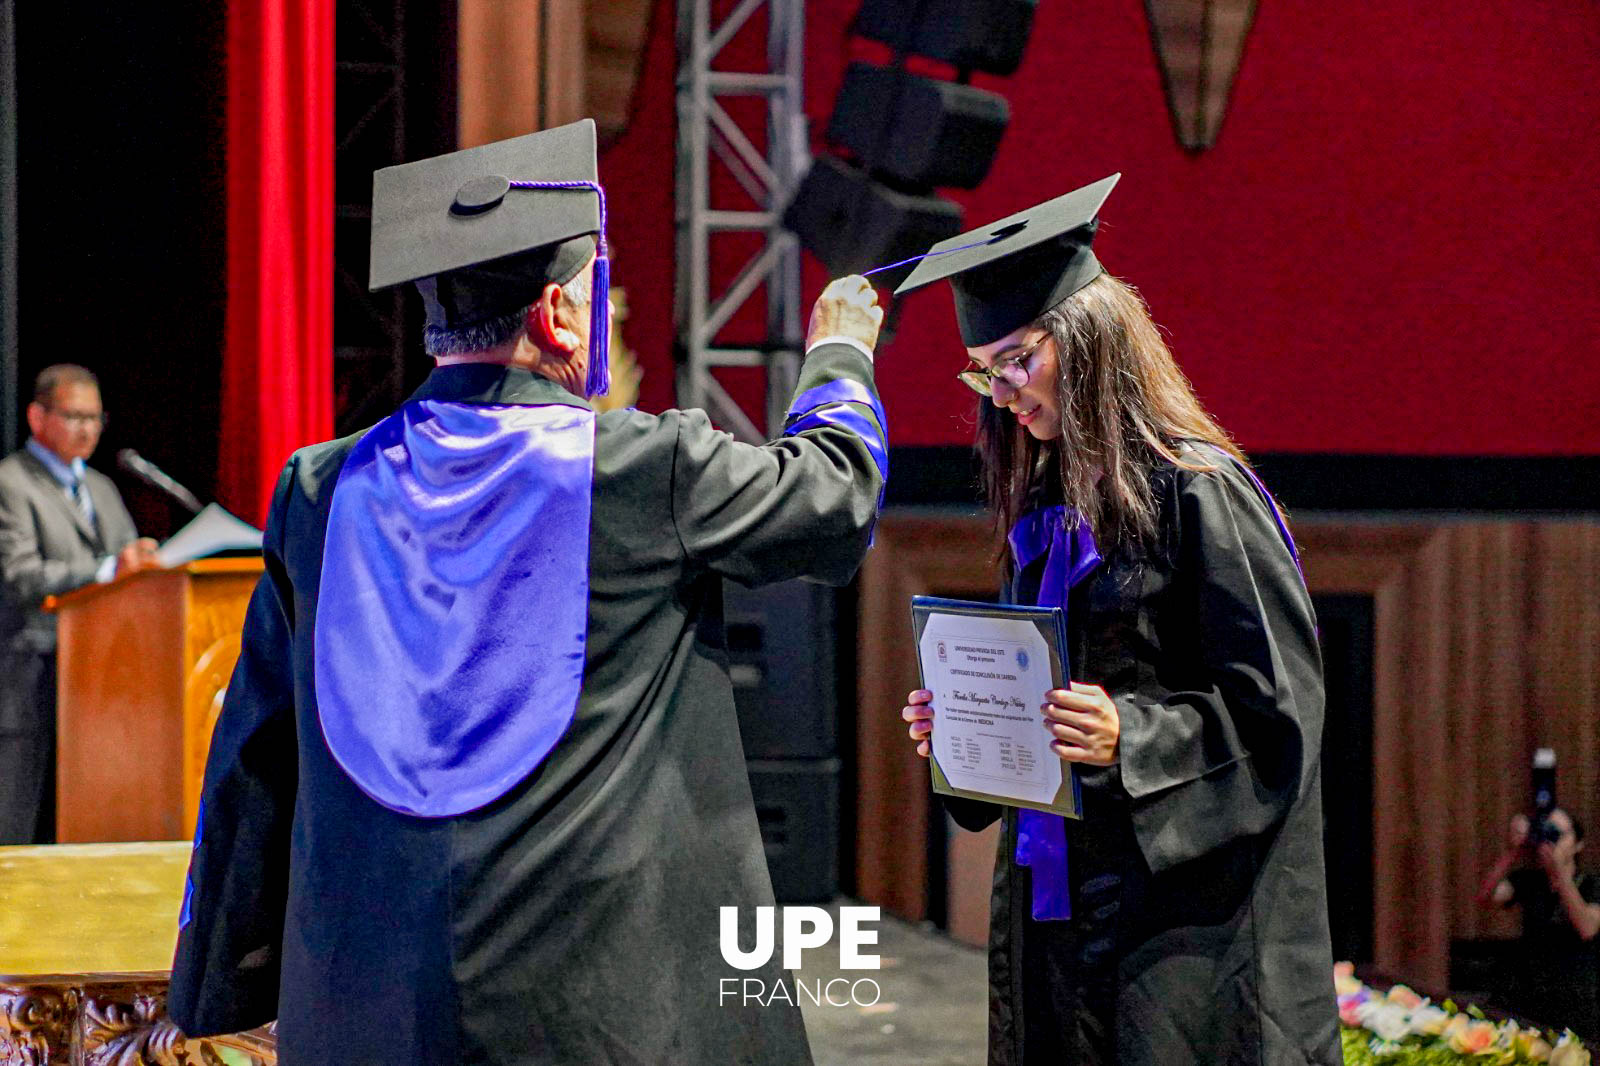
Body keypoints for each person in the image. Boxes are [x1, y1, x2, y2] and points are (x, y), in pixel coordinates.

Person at [167, 119, 887, 1065]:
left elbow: (254, 749)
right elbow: (834, 496)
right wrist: (840, 354)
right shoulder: (642, 471)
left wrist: (227, 977)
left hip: (366, 1003)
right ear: (557, 315)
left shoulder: (317, 492)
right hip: (590, 1011)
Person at [895, 176, 1340, 1065]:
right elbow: (1041, 719)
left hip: (1180, 942)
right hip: (1059, 922)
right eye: (984, 370)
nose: (1001, 393)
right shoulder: (1047, 511)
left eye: (1018, 360)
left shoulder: (1203, 495)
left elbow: (1281, 724)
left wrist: (1126, 737)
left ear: (1090, 343)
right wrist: (968, 731)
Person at [0, 363, 159, 844]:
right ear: (36, 417)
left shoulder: (102, 489)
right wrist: (110, 568)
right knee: (18, 829)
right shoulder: (11, 482)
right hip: (31, 680)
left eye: (95, 418)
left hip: (101, 691)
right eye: (73, 416)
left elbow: (128, 578)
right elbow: (20, 576)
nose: (87, 428)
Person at [1477, 809, 1600, 1036]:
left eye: (1558, 834)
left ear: (1578, 844)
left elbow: (1588, 928)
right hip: (1532, 992)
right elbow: (1485, 897)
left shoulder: (1592, 884)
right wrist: (1513, 852)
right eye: (1546, 832)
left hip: (1576, 997)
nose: (1550, 841)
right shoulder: (1530, 880)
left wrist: (1559, 874)